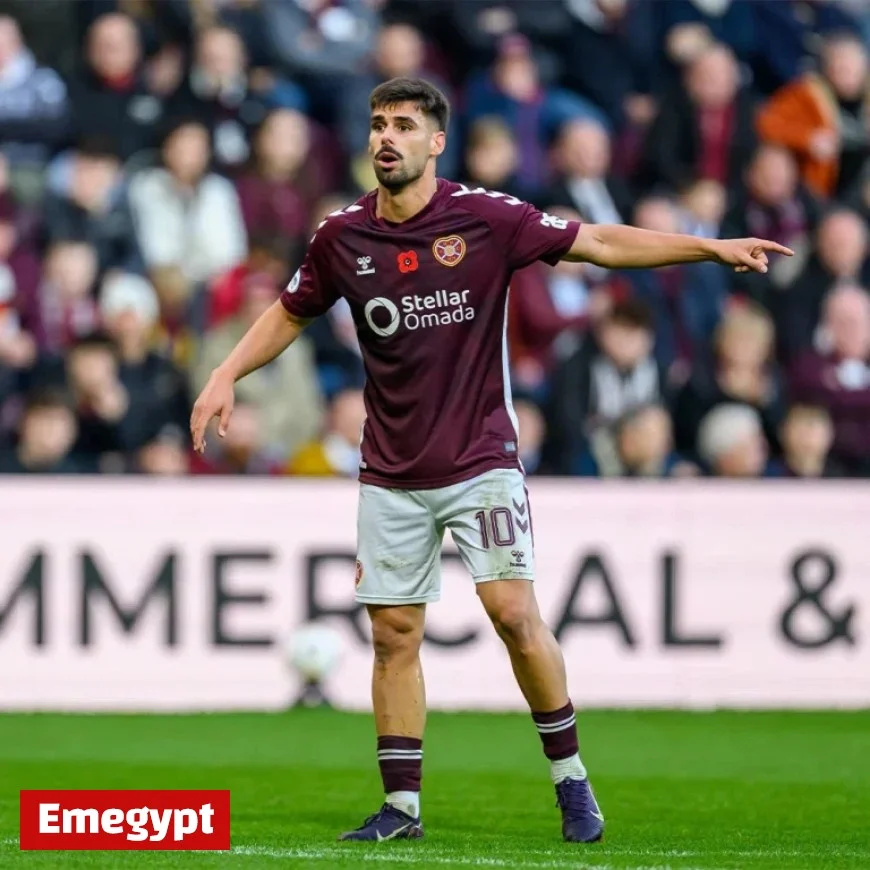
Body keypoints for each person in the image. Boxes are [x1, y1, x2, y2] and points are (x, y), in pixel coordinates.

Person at [189, 77, 792, 845]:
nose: (386, 136)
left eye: (404, 125)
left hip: (481, 460)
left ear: (436, 143)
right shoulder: (342, 237)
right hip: (391, 471)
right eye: (378, 123)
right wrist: (224, 373)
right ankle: (401, 808)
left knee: (512, 614)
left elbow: (598, 243)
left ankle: (572, 783)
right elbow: (290, 311)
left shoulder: (486, 218)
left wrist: (707, 247)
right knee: (394, 634)